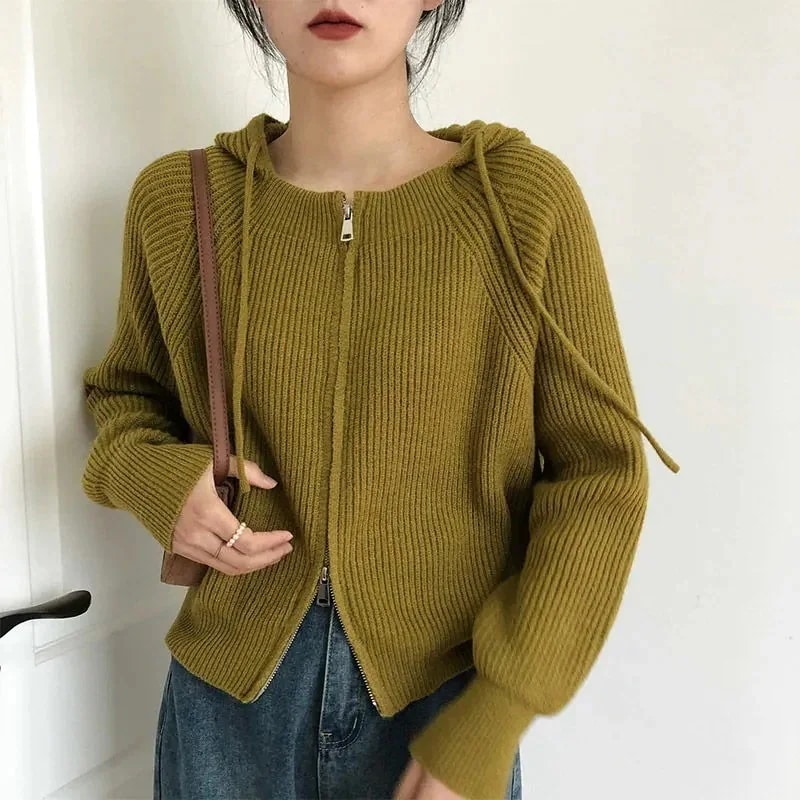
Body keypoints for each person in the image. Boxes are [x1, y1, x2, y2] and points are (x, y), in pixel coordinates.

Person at [80, 1, 681, 798]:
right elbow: (125, 398)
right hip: (229, 710)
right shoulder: (180, 201)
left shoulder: (520, 202)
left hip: (443, 705)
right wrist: (160, 480)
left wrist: (493, 720)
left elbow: (599, 474)